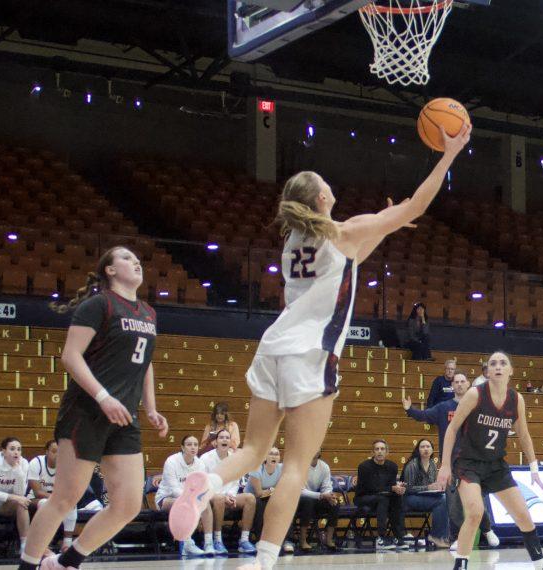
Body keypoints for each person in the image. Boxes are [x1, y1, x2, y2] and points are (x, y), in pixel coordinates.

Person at [168, 124, 472, 570]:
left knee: (253, 450)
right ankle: (263, 562)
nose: (333, 190)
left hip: (272, 346)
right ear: (321, 200)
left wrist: (383, 227)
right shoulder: (341, 233)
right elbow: (418, 205)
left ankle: (207, 479)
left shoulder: (295, 241)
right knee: (296, 465)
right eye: (328, 187)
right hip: (311, 354)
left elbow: (347, 265)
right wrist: (449, 155)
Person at [18, 247, 169, 570]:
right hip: (87, 411)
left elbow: (145, 363)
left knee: (128, 504)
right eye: (127, 258)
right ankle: (27, 566)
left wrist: (151, 408)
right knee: (65, 498)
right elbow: (70, 356)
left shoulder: (148, 313)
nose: (136, 261)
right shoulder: (98, 305)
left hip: (123, 416)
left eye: (137, 257)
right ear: (110, 270)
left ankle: (66, 562)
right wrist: (103, 397)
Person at [437, 351, 543, 570]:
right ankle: (461, 566)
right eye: (493, 363)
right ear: (487, 371)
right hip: (468, 464)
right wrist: (445, 465)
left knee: (524, 516)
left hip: (496, 466)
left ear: (510, 370)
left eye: (503, 363)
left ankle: (542, 566)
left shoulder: (517, 399)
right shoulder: (474, 394)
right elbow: (452, 429)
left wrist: (534, 467)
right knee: (476, 512)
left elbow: (524, 435)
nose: (498, 366)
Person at [401, 373, 498, 549]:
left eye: (462, 381)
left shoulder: (478, 406)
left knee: (478, 499)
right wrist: (409, 409)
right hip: (451, 463)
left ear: (468, 384)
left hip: (474, 461)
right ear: (452, 386)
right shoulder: (443, 407)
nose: (460, 384)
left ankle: (487, 530)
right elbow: (423, 415)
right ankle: (457, 538)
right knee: (453, 503)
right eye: (456, 382)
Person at [154, 435, 214, 556]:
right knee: (185, 503)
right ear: (182, 447)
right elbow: (173, 489)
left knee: (205, 504)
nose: (193, 447)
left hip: (191, 499)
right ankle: (187, 543)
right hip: (166, 498)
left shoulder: (200, 464)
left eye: (196, 445)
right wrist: (191, 498)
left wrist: (198, 497)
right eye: (189, 444)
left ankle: (209, 543)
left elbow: (203, 487)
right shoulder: (171, 461)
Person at [201, 429, 257, 555]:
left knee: (250, 498)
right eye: (221, 437)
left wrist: (230, 495)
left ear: (230, 442)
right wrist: (222, 496)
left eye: (227, 437)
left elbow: (236, 481)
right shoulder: (206, 458)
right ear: (216, 442)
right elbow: (204, 483)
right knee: (219, 498)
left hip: (229, 495)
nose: (225, 440)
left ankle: (244, 540)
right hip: (211, 496)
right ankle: (217, 540)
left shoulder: (234, 458)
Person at [354, 440, 408, 551]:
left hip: (383, 497)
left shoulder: (392, 466)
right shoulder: (364, 466)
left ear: (387, 452)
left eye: (382, 449)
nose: (379, 452)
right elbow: (370, 487)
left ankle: (398, 536)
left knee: (396, 498)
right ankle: (381, 538)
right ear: (372, 452)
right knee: (383, 499)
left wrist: (399, 489)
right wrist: (392, 488)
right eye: (377, 449)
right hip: (364, 497)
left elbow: (391, 486)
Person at [27, 440, 76, 553]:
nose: (58, 455)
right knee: (45, 503)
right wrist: (57, 498)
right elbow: (37, 492)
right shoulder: (36, 463)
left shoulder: (66, 466)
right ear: (47, 452)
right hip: (33, 499)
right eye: (54, 451)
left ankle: (67, 544)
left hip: (55, 498)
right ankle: (43, 544)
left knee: (71, 504)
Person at [401, 439, 449, 548]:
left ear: (432, 450)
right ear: (418, 450)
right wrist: (427, 487)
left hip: (426, 497)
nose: (425, 449)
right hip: (410, 498)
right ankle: (437, 536)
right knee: (442, 501)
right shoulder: (412, 465)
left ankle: (442, 536)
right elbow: (407, 488)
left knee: (445, 497)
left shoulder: (432, 464)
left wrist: (438, 487)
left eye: (428, 446)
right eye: (422, 447)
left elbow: (433, 485)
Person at [295, 451, 339, 551]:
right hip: (300, 500)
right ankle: (303, 541)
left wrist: (329, 495)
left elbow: (327, 486)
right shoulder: (300, 465)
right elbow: (300, 491)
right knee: (308, 502)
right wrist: (322, 495)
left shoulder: (324, 467)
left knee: (335, 503)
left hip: (317, 497)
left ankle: (329, 540)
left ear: (320, 451)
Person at [244, 447, 286, 551]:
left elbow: (283, 489)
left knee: (285, 503)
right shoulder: (256, 468)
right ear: (265, 457)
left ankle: (285, 540)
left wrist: (272, 491)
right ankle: (259, 539)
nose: (274, 456)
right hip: (251, 499)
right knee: (260, 502)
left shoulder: (282, 469)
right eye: (271, 453)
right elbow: (258, 493)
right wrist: (273, 490)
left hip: (270, 497)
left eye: (277, 454)